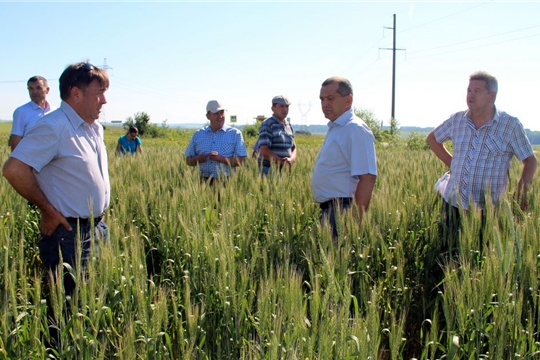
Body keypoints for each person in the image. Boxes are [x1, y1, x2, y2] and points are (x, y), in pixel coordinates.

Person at [3, 62, 110, 310]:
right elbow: (14, 169)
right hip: (68, 234)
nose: (104, 100)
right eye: (99, 93)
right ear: (76, 93)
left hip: (96, 228)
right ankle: (61, 348)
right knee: (66, 308)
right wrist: (48, 209)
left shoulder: (94, 128)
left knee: (90, 303)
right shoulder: (53, 126)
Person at [427, 71, 537, 250]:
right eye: (469, 90)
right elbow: (433, 139)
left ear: (492, 95)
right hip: (454, 204)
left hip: (489, 208)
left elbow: (530, 160)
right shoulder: (457, 120)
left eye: (477, 90)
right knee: (448, 254)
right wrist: (452, 163)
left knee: (481, 256)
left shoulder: (509, 125)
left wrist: (521, 190)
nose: (470, 95)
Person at [311, 76, 377, 239]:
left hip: (342, 212)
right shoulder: (337, 127)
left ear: (348, 100)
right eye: (322, 99)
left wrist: (353, 222)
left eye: (330, 98)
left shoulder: (355, 129)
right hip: (330, 211)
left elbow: (367, 177)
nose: (325, 104)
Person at [185, 100, 247, 184]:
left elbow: (242, 161)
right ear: (208, 116)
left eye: (222, 112)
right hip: (202, 183)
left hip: (227, 183)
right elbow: (188, 160)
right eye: (216, 113)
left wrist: (221, 159)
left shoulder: (235, 134)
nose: (220, 116)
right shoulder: (198, 134)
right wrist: (197, 159)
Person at [8, 75, 53, 151]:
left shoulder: (55, 111)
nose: (34, 92)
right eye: (31, 89)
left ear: (47, 90)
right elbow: (16, 141)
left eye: (38, 88)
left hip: (53, 160)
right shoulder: (21, 112)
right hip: (30, 160)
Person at [256, 95, 297, 175]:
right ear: (273, 108)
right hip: (268, 171)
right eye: (281, 106)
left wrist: (291, 159)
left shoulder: (288, 125)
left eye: (287, 107)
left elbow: (293, 147)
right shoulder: (267, 124)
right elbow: (264, 150)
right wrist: (280, 161)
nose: (285, 109)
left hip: (285, 171)